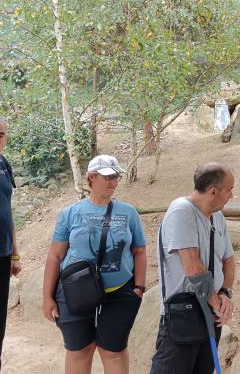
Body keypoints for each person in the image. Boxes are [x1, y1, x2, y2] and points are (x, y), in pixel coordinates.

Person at [43, 154, 147, 374]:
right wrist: (47, 296)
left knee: (114, 352)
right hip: (75, 292)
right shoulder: (70, 214)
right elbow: (55, 256)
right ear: (91, 177)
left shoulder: (128, 213)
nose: (113, 181)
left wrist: (138, 288)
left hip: (120, 293)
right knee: (80, 350)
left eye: (116, 176)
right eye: (108, 176)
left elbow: (139, 251)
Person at [150, 162, 235, 374]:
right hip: (182, 317)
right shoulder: (181, 211)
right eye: (229, 189)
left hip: (210, 316)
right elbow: (193, 267)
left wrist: (225, 293)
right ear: (213, 191)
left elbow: (229, 260)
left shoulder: (218, 216)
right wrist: (217, 303)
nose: (232, 195)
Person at [0, 116, 21, 371]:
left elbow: (8, 209)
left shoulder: (4, 164)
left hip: (3, 254)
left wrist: (15, 253)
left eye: (1, 134)